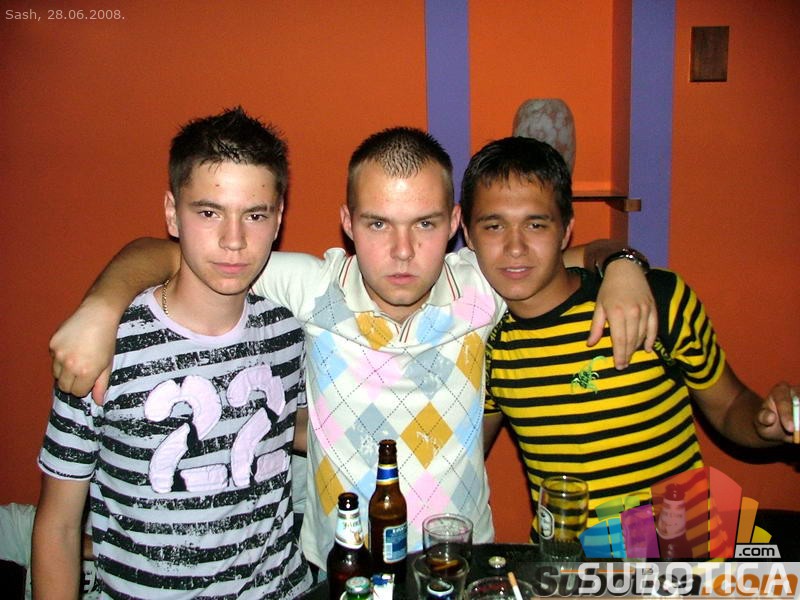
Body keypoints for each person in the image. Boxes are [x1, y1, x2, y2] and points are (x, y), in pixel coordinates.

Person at [46, 127, 657, 572]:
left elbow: (567, 257)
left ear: (453, 225)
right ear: (347, 222)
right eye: (377, 224)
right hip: (339, 565)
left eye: (423, 224)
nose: (401, 252)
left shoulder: (482, 286)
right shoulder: (314, 288)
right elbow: (173, 252)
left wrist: (625, 263)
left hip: (457, 556)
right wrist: (101, 307)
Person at [32, 107, 312, 599]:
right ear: (171, 213)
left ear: (278, 219)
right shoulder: (104, 346)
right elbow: (58, 527)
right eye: (208, 212)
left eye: (255, 215)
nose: (233, 240)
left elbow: (315, 432)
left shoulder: (289, 333)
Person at [461, 136, 799, 543]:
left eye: (536, 224)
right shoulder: (483, 342)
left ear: (565, 230)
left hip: (677, 552)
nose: (515, 247)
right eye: (494, 226)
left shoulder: (655, 301)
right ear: (468, 235)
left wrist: (766, 425)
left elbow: (729, 406)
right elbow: (465, 456)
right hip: (564, 562)